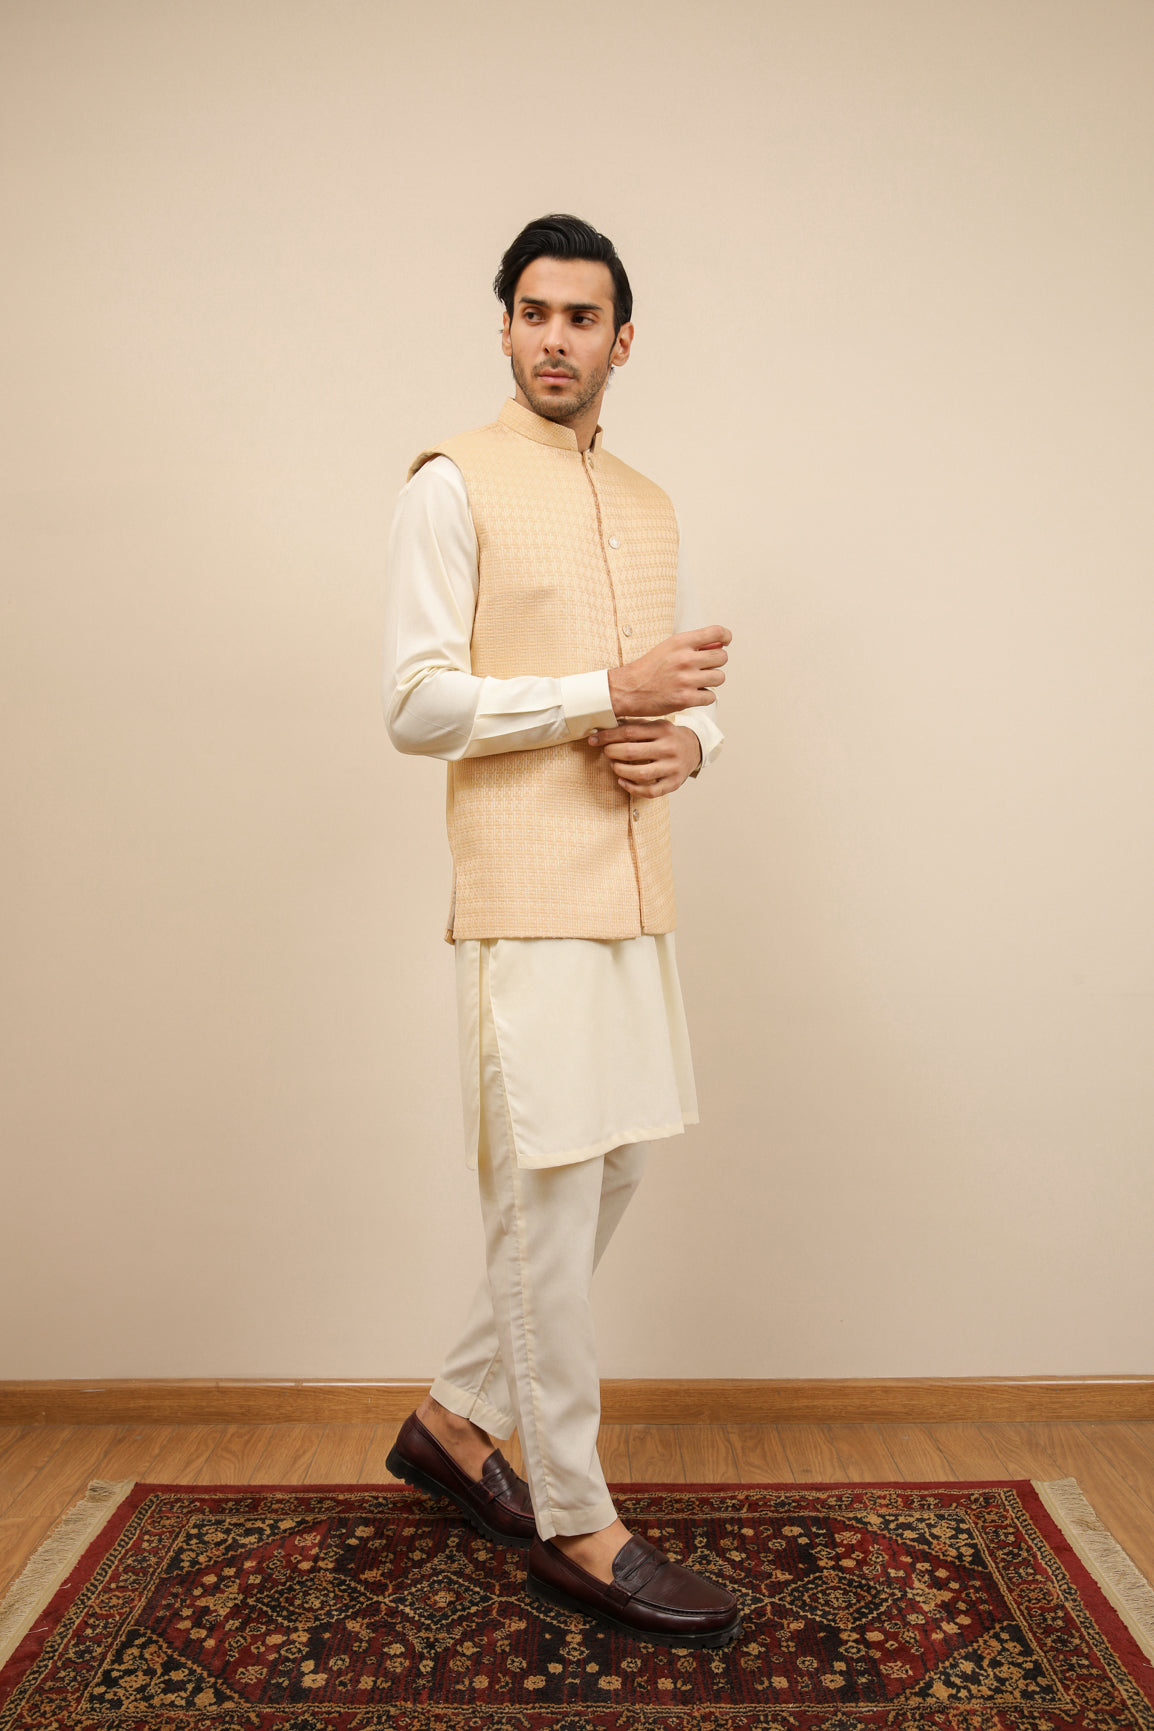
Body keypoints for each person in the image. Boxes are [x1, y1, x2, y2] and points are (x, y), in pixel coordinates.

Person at [381, 214, 738, 1649]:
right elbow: (415, 703)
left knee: (614, 1173)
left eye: (579, 317)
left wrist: (691, 744)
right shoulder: (451, 483)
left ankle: (453, 1419)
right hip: (525, 892)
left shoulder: (648, 502)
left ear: (620, 339)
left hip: (633, 888)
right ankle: (578, 1523)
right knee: (541, 1201)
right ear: (505, 326)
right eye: (531, 312)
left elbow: (680, 691)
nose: (552, 338)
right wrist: (603, 693)